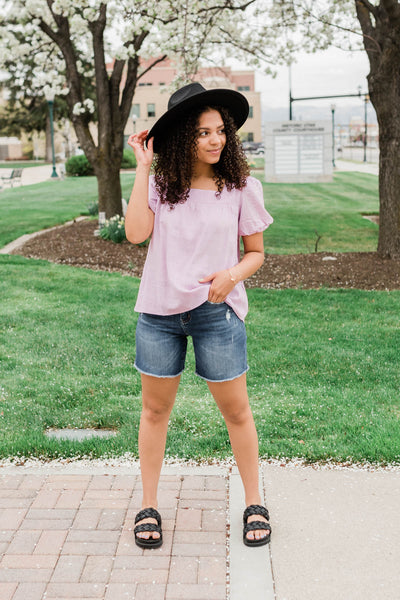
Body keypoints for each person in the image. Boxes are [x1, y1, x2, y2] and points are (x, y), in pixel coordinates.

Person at [125, 82, 273, 549]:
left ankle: (255, 502)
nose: (214, 140)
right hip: (159, 313)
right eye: (202, 132)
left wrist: (231, 276)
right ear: (182, 136)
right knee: (154, 412)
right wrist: (143, 168)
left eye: (220, 131)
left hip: (216, 313)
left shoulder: (241, 187)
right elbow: (134, 234)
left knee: (237, 412)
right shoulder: (162, 185)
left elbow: (256, 253)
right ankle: (148, 505)